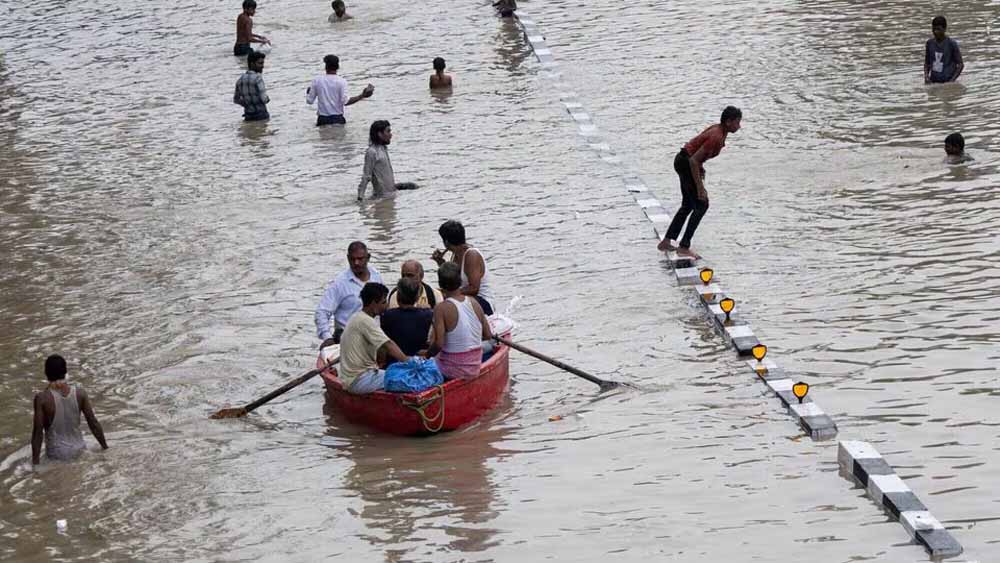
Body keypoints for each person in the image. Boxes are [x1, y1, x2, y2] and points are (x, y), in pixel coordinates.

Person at [658, 106, 742, 258]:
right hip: (685, 163)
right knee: (702, 204)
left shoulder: (719, 130)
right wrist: (700, 188)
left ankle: (666, 241)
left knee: (688, 205)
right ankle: (684, 247)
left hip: (683, 160)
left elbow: (696, 153)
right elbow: (694, 161)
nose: (739, 126)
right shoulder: (716, 136)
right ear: (728, 122)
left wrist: (700, 167)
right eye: (737, 122)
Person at [31, 355, 108, 465]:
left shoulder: (42, 398)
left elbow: (37, 433)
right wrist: (105, 448)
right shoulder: (80, 393)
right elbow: (93, 423)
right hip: (81, 449)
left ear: (46, 373)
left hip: (57, 456)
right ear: (65, 371)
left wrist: (35, 465)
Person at [424, 263, 493, 380]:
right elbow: (488, 335)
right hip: (475, 367)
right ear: (460, 281)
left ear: (440, 284)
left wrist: (426, 355)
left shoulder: (440, 308)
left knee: (423, 360)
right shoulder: (474, 302)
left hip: (453, 370)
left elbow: (438, 344)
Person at [338, 283, 410, 394]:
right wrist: (409, 363)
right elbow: (389, 345)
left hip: (354, 378)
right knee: (409, 378)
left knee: (398, 373)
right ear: (373, 304)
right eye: (383, 302)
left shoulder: (357, 317)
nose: (386, 306)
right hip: (359, 380)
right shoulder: (366, 321)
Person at [315, 241, 384, 348]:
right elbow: (322, 312)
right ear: (348, 258)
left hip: (374, 338)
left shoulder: (376, 276)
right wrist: (327, 337)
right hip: (348, 339)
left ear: (368, 258)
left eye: (360, 259)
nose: (356, 263)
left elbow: (383, 306)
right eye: (352, 259)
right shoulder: (340, 283)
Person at [430, 220, 496, 315]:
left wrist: (448, 293)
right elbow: (453, 279)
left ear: (446, 242)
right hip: (464, 298)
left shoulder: (471, 255)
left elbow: (474, 289)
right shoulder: (455, 255)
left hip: (482, 302)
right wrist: (441, 262)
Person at [306, 55, 374, 126]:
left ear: (325, 67)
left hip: (322, 119)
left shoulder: (317, 81)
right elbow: (345, 102)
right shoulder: (342, 81)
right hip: (338, 119)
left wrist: (308, 93)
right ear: (338, 67)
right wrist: (362, 96)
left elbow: (309, 101)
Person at [358, 121, 417, 199]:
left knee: (414, 186)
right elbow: (366, 176)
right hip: (383, 197)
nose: (391, 135)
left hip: (391, 192)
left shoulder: (383, 148)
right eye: (388, 131)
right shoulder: (371, 152)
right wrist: (360, 198)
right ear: (379, 134)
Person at [381, 278, 434, 357]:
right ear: (417, 297)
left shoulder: (387, 316)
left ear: (398, 296)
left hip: (395, 359)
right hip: (419, 359)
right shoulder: (428, 314)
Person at [925, 16, 963, 84]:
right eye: (934, 29)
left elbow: (960, 64)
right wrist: (926, 77)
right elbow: (927, 63)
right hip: (933, 80)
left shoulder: (951, 44)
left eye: (938, 29)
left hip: (947, 80)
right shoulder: (929, 43)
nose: (935, 32)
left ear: (944, 29)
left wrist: (952, 81)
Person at [233, 51, 270, 121]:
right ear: (252, 64)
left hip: (248, 116)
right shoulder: (258, 79)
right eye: (260, 63)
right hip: (261, 115)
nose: (262, 66)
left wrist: (247, 104)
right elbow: (264, 99)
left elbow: (236, 100)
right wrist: (268, 98)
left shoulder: (240, 80)